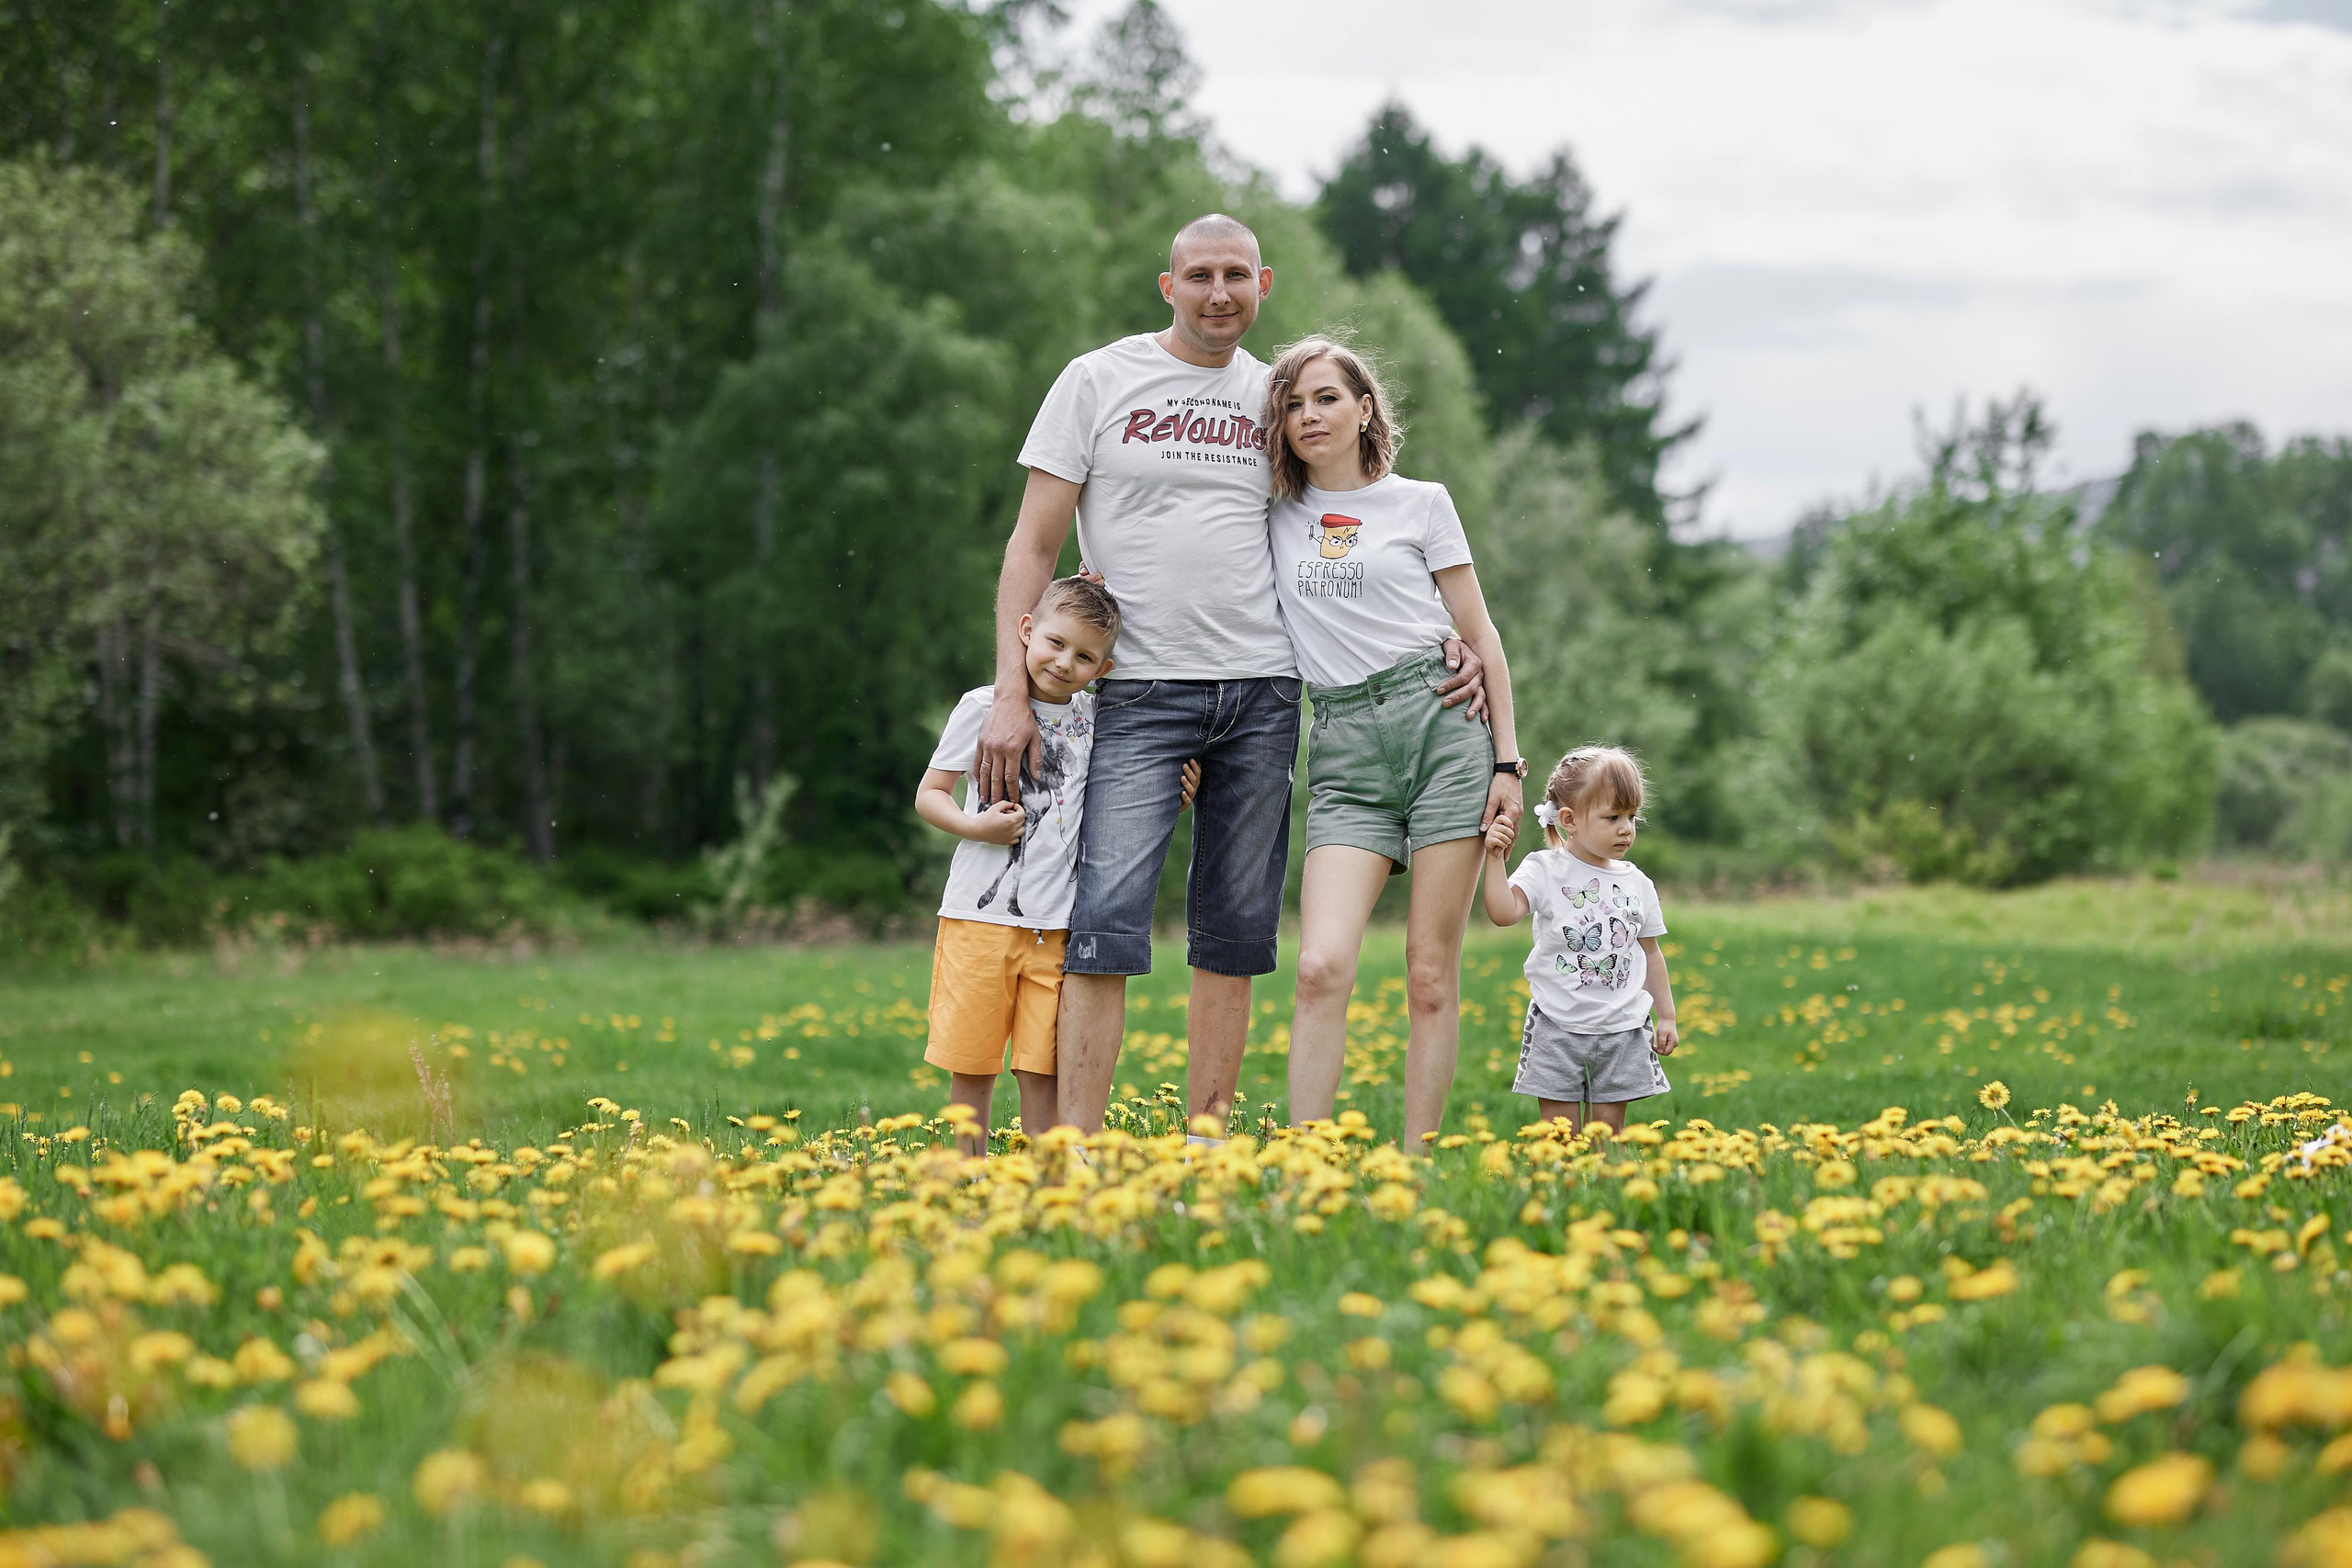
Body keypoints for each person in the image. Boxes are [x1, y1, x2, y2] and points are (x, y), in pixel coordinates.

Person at [975, 213, 1484, 1137]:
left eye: (1236, 275)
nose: (1219, 293)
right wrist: (1012, 690)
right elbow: (1033, 542)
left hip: (1261, 694)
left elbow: (1356, 523)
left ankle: (1206, 1146)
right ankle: (1076, 1153)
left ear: (1263, 285)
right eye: (1201, 275)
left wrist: (1444, 636)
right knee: (1102, 924)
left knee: (1235, 935)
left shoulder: (1275, 402)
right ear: (1168, 286)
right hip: (1137, 692)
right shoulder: (1097, 380)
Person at [1267, 336, 1524, 1153]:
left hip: (1443, 727)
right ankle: (1307, 1161)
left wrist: (1508, 764)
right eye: (1294, 404)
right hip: (1345, 746)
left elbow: (1480, 634)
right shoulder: (1268, 509)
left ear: (1365, 408)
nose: (1309, 416)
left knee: (1428, 972)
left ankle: (1418, 1164)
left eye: (1327, 398)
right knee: (1319, 966)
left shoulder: (1422, 503)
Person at [914, 576, 1196, 1155]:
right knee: (973, 1065)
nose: (1065, 663)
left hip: (1058, 928)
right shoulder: (983, 707)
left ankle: (1045, 1182)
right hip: (980, 920)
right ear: (1026, 631)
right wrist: (978, 827)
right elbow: (930, 795)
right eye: (1056, 643)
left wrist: (1171, 799)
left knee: (1042, 1071)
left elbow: (1111, 807)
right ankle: (967, 1178)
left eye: (1085, 657)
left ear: (1104, 668)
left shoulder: (1097, 720)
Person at [1479, 745, 1679, 1136]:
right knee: (1560, 1133)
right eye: (1613, 817)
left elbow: (1651, 953)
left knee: (1608, 1132)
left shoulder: (1638, 883)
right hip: (1558, 1023)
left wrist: (1667, 1016)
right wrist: (1495, 859)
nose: (1626, 828)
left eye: (1632, 816)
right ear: (1569, 819)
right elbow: (1503, 913)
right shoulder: (1545, 869)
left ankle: (1603, 1177)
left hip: (1622, 1026)